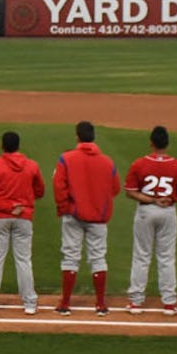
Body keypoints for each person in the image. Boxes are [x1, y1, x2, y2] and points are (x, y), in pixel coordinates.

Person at [52, 122, 117, 315]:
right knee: (98, 257)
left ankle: (65, 304)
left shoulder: (66, 158)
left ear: (77, 137)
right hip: (98, 217)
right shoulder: (108, 162)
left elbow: (59, 186)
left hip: (73, 215)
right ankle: (100, 305)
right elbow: (114, 189)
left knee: (70, 257)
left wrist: (66, 208)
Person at [124, 126, 177, 312]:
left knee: (141, 256)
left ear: (151, 143)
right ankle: (169, 303)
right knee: (167, 257)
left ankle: (136, 302)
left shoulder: (139, 164)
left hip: (145, 211)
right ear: (167, 143)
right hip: (168, 212)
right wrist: (167, 198)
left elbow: (130, 191)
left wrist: (152, 199)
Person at [0, 131, 43, 313]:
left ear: (2, 146)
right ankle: (29, 303)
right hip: (24, 217)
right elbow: (40, 191)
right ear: (18, 145)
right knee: (23, 260)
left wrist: (5, 206)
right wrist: (20, 203)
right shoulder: (32, 166)